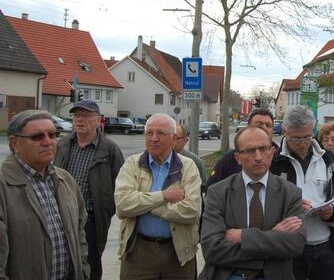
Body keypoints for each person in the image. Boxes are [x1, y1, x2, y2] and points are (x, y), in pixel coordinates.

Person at [200, 126, 306, 280]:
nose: (258, 157)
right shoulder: (218, 193)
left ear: (271, 152)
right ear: (237, 158)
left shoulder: (290, 193)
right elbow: (211, 249)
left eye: (263, 149)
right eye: (250, 151)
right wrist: (274, 237)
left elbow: (295, 244)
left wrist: (243, 236)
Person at [0, 110, 89, 279]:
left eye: (52, 134)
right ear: (15, 143)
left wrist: (82, 270)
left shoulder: (65, 180)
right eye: (37, 137)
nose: (48, 142)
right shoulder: (3, 185)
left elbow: (80, 233)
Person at [271, 105, 334, 280]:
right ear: (285, 131)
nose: (302, 144)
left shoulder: (327, 159)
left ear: (313, 130)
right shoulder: (274, 162)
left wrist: (333, 211)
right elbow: (262, 200)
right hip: (290, 249)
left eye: (306, 137)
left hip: (325, 246)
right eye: (295, 139)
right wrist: (291, 205)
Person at [115, 113, 202, 279]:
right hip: (138, 252)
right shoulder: (132, 165)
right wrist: (163, 196)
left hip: (178, 254)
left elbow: (192, 211)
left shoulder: (188, 166)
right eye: (149, 133)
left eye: (160, 133)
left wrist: (145, 206)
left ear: (173, 138)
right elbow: (122, 205)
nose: (153, 138)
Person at [54, 99, 124, 280]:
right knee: (62, 261)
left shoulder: (109, 149)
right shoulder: (62, 145)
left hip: (91, 218)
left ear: (98, 120)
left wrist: (107, 209)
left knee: (91, 265)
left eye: (85, 116)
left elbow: (122, 185)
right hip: (61, 214)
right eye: (77, 115)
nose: (80, 120)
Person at [206, 108, 276, 190]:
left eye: (268, 125)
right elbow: (211, 190)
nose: (264, 128)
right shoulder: (230, 159)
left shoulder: (282, 158)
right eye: (259, 125)